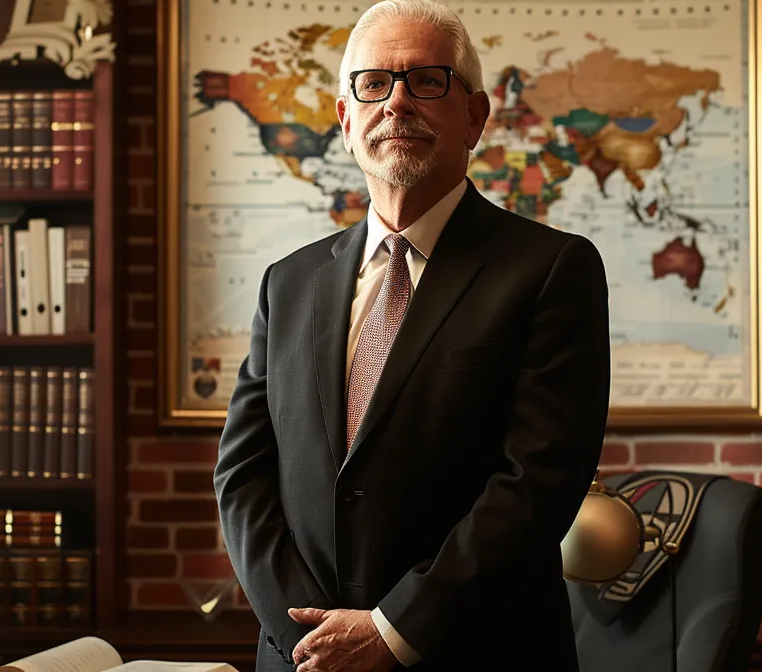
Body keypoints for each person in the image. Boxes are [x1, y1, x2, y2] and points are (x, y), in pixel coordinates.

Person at [212, 1, 612, 670]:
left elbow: (536, 483)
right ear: (346, 120)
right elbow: (242, 475)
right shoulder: (289, 282)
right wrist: (311, 639)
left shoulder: (550, 271)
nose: (397, 102)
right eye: (374, 83)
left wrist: (392, 632)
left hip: (473, 652)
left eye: (427, 80)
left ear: (475, 116)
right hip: (302, 657)